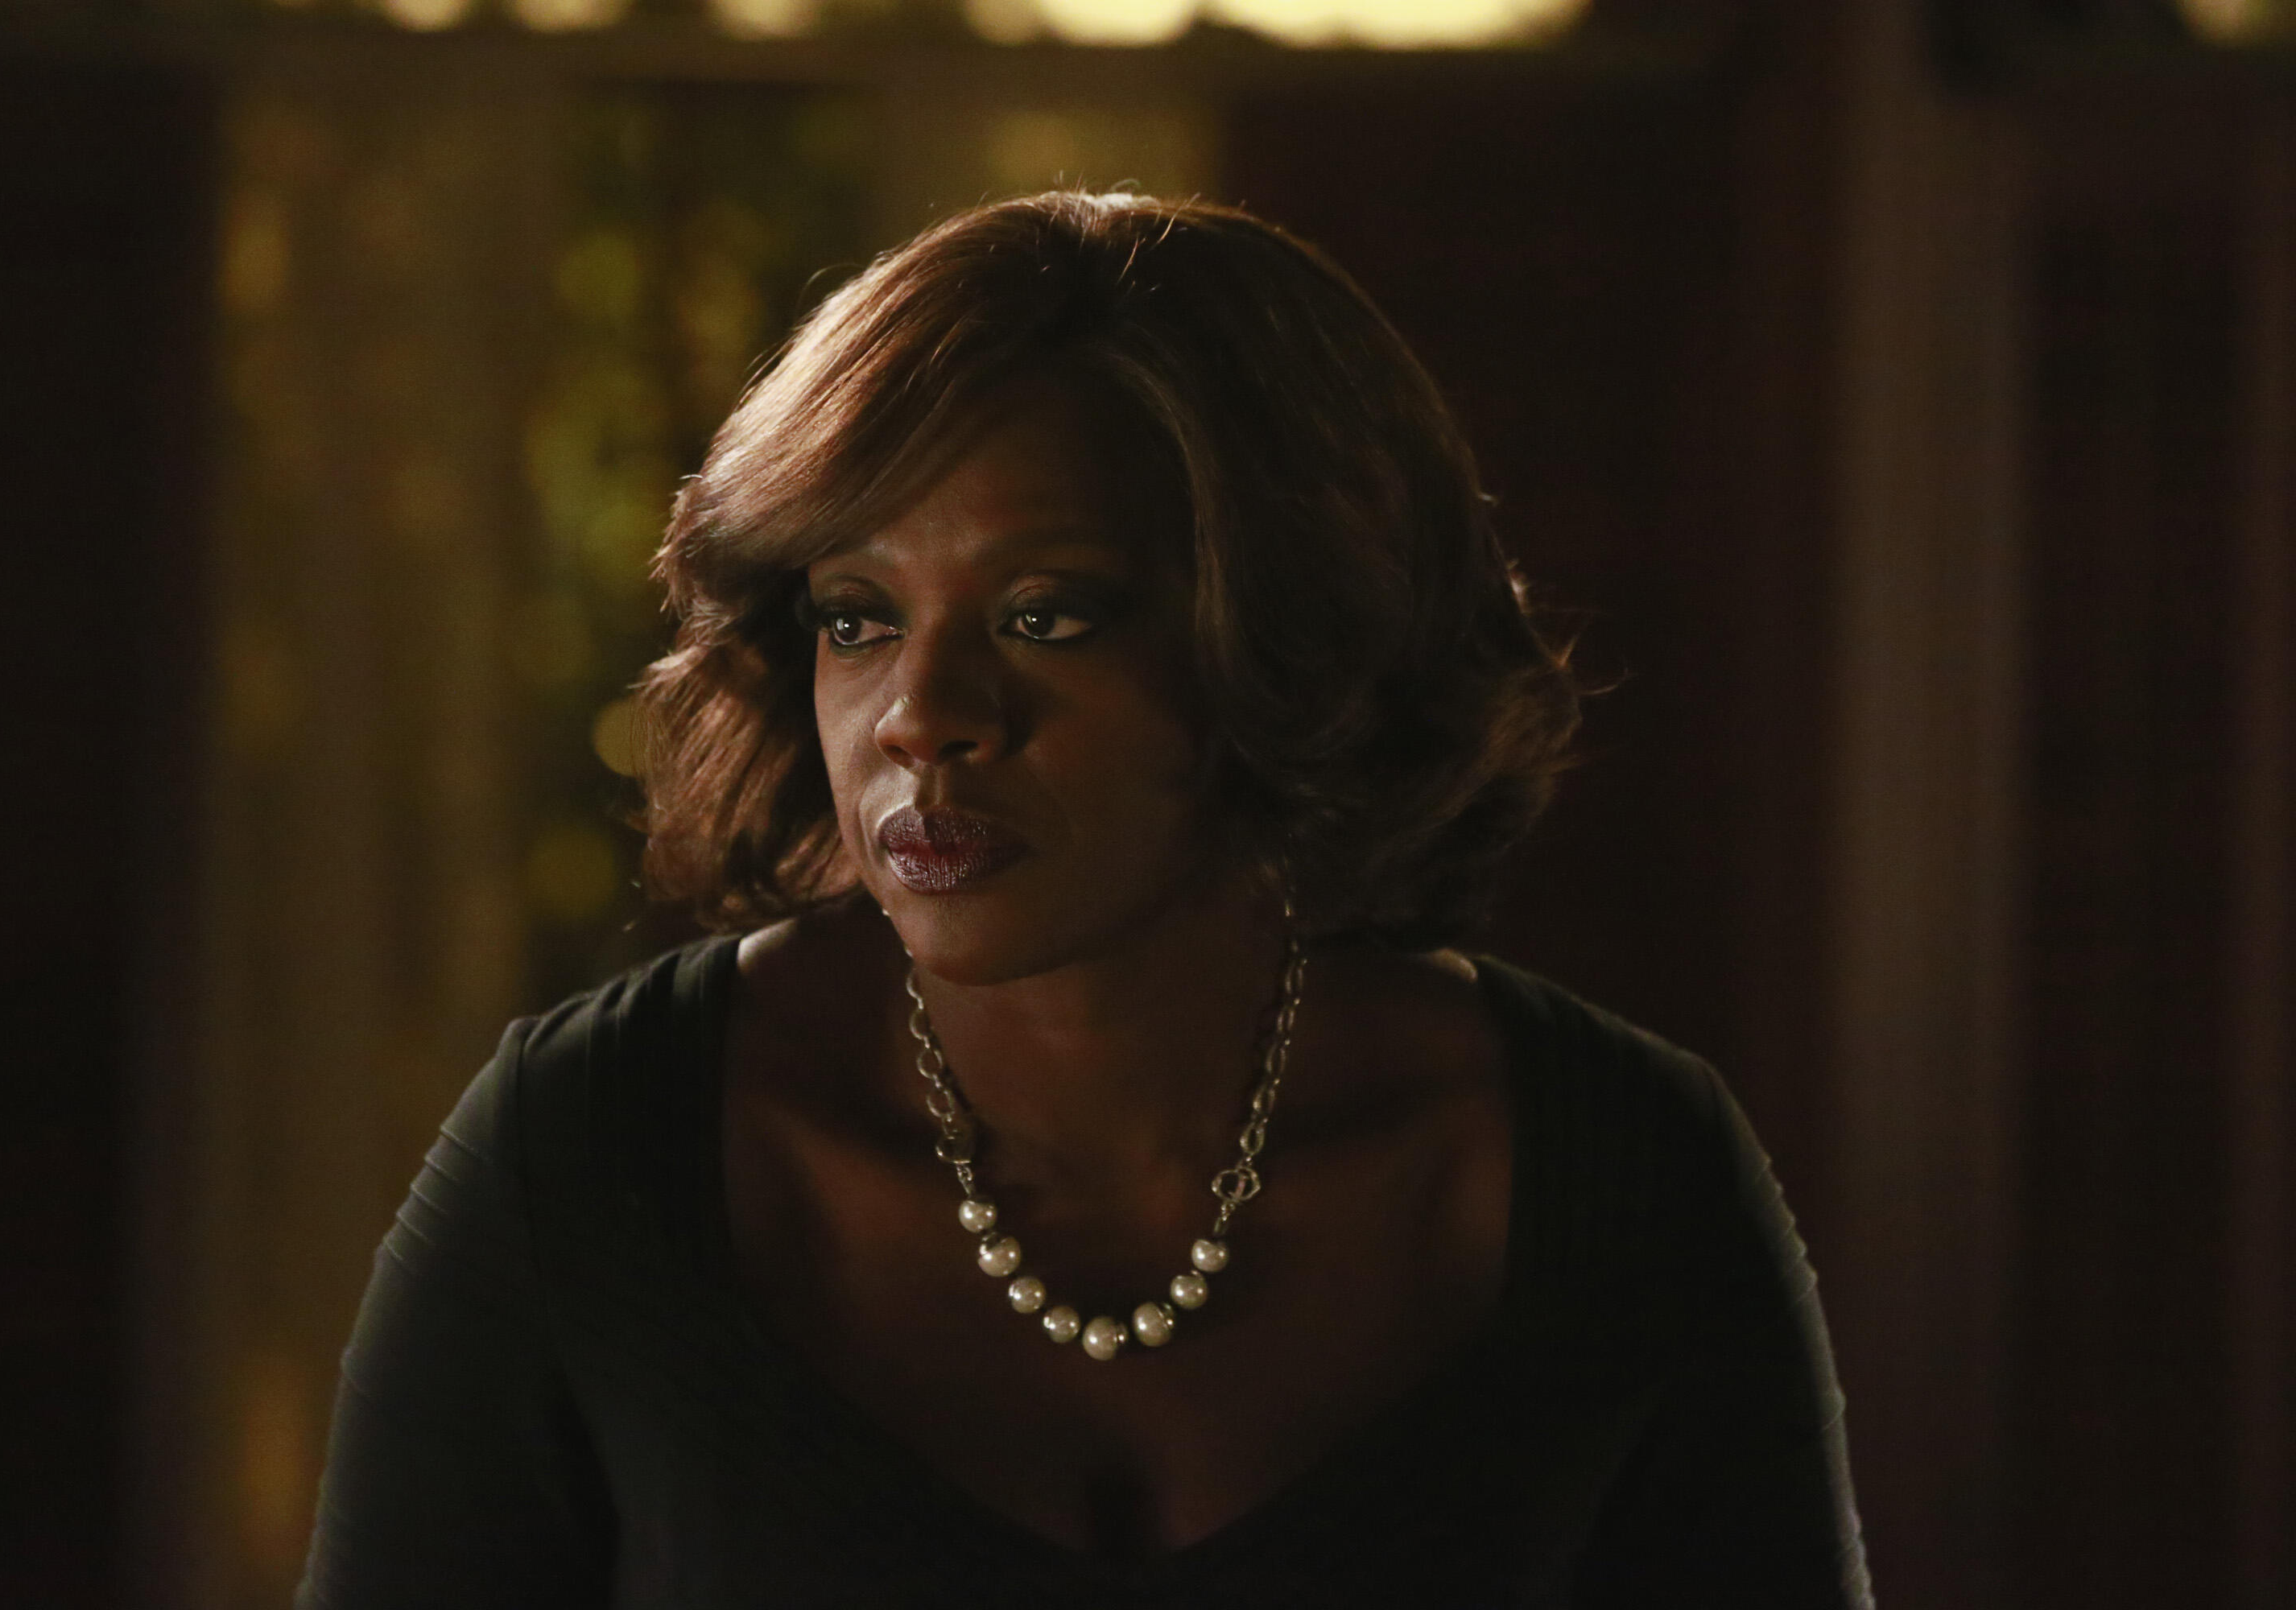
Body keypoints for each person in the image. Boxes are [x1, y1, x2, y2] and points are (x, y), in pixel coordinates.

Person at [297, 191, 1871, 1608]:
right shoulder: (595, 1153)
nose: (923, 715)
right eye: (857, 618)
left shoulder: (1617, 1180)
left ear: (1294, 639)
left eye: (1047, 615)